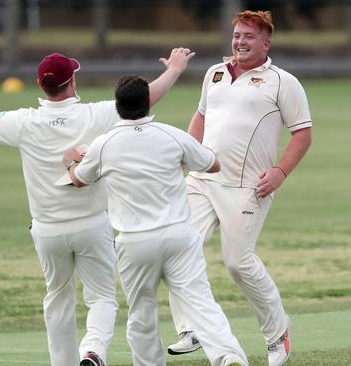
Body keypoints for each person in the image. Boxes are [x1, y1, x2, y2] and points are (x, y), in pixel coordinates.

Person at [0, 50, 195, 366]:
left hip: (48, 230)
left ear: (41, 86)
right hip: (92, 224)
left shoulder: (25, 121)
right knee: (103, 298)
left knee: (58, 298)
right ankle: (92, 351)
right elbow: (144, 99)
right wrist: (174, 69)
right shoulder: (96, 115)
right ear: (72, 81)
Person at [65, 75, 249, 366]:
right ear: (147, 103)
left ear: (118, 106)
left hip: (134, 242)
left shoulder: (103, 144)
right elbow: (213, 163)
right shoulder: (171, 134)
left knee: (141, 314)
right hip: (179, 236)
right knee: (201, 304)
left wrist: (73, 160)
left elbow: (78, 180)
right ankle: (228, 357)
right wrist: (180, 160)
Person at [166, 9, 312, 366]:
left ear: (266, 42)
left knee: (237, 263)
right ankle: (192, 328)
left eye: (249, 36)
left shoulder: (282, 81)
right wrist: (187, 154)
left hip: (249, 188)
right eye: (237, 36)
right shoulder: (215, 73)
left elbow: (303, 133)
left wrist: (280, 172)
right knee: (176, 249)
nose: (240, 42)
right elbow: (201, 116)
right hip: (202, 180)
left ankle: (278, 333)